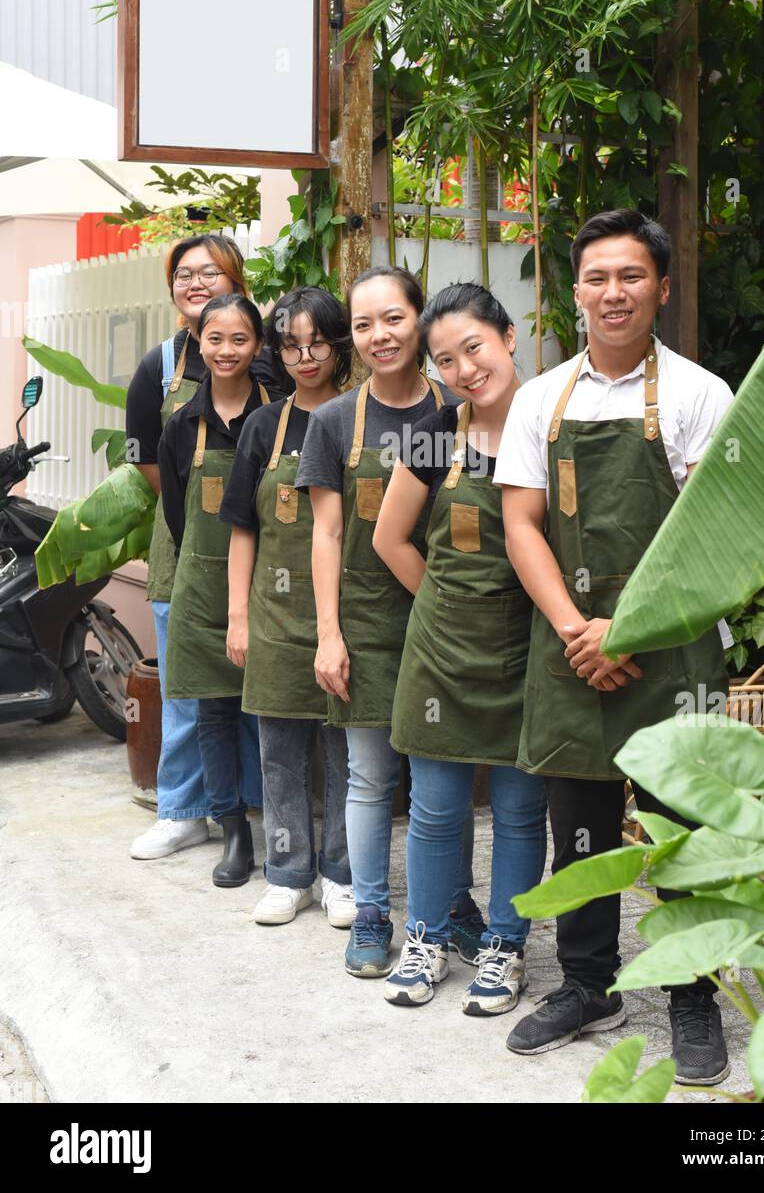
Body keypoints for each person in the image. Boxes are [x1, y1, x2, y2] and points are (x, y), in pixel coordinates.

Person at [495, 209, 734, 1085]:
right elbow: (521, 526)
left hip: (668, 651)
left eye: (631, 276)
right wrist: (576, 630)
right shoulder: (538, 398)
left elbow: (711, 534)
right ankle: (588, 984)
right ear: (575, 291)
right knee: (583, 831)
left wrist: (625, 628)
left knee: (682, 831)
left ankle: (692, 995)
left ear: (661, 288)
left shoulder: (700, 395)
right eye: (596, 277)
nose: (613, 292)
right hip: (568, 649)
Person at [295, 266, 480, 978]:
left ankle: (453, 904)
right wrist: (328, 633)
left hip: (451, 625)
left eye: (394, 319)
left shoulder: (457, 409)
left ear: (420, 319)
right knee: (369, 779)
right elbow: (325, 535)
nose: (380, 336)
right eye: (364, 324)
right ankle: (371, 912)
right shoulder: (335, 421)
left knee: (446, 779)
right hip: (369, 626)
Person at [372, 284, 548, 1015]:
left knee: (517, 812)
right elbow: (388, 539)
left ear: (508, 337)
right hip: (440, 658)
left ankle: (504, 947)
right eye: (444, 360)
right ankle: (427, 937)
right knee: (437, 812)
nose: (463, 369)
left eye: (473, 347)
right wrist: (448, 606)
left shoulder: (552, 431)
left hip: (529, 657)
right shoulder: (430, 436)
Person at [127, 236, 284, 862]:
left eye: (209, 272)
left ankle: (247, 809)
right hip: (184, 549)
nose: (195, 283)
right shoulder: (158, 366)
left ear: (235, 279)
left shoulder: (269, 364)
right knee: (189, 691)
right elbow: (149, 461)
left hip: (267, 551)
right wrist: (206, 511)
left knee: (255, 694)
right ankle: (183, 810)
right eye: (183, 274)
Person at [220, 287, 357, 928]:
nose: (306, 356)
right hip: (275, 616)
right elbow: (242, 526)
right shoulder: (263, 427)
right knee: (279, 752)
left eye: (317, 343)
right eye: (291, 345)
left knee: (345, 754)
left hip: (348, 611)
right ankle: (286, 873)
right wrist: (240, 616)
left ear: (337, 345)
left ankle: (341, 874)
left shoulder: (363, 416)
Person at [158, 293, 275, 887]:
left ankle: (281, 827)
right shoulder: (182, 426)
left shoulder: (280, 416)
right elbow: (177, 516)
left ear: (257, 346)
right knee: (214, 714)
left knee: (277, 714)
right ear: (197, 344)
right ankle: (233, 830)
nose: (226, 351)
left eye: (239, 339)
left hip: (276, 588)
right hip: (203, 591)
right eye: (214, 339)